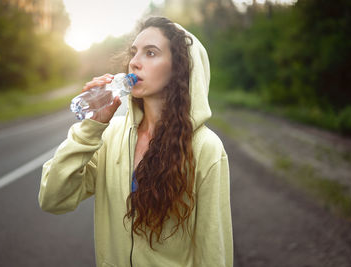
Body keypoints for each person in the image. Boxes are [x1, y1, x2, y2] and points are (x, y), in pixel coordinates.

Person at [39, 16, 233, 267]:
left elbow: (213, 250)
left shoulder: (205, 147)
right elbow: (52, 199)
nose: (134, 62)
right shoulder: (110, 136)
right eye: (134, 53)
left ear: (179, 68)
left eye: (150, 53)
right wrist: (91, 128)